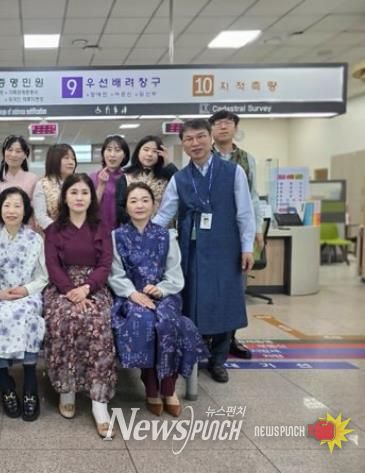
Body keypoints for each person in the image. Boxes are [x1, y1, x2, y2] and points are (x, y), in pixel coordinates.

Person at [152, 119, 255, 384]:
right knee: (193, 301)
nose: (195, 143)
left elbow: (245, 212)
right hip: (192, 248)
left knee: (224, 301)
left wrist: (247, 247)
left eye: (200, 137)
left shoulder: (233, 172)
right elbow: (165, 214)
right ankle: (195, 354)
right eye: (189, 139)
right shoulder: (179, 178)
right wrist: (142, 233)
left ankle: (219, 360)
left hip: (226, 246)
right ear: (183, 144)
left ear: (210, 138)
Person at [109, 182, 209, 417]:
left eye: (145, 200)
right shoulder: (117, 236)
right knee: (143, 321)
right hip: (130, 297)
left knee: (167, 322)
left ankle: (168, 387)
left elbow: (174, 274)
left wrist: (160, 290)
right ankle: (152, 387)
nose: (140, 205)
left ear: (154, 205)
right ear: (126, 206)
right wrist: (133, 293)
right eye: (134, 201)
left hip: (165, 296)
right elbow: (115, 274)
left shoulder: (166, 236)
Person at [43, 173, 116, 438]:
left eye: (84, 192)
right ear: (64, 197)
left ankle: (99, 401)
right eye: (73, 192)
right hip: (61, 287)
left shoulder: (101, 228)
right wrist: (70, 290)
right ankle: (67, 389)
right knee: (64, 318)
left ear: (91, 197)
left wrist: (86, 288)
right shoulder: (53, 230)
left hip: (94, 286)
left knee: (97, 321)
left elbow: (105, 264)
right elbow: (52, 265)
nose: (79, 197)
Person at [0, 187, 48, 421]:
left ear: (25, 210)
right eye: (6, 205)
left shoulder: (36, 239)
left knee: (28, 317)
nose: (12, 210)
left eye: (17, 205)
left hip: (27, 295)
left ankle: (30, 381)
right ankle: (4, 381)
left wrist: (26, 290)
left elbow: (43, 276)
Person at [210, 110, 264, 360]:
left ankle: (230, 339)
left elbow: (253, 197)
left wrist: (256, 228)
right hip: (210, 232)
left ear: (235, 128)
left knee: (235, 289)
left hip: (237, 231)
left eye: (228, 123)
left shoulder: (246, 159)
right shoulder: (204, 156)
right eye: (218, 123)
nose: (223, 127)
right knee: (209, 289)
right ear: (211, 130)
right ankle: (209, 338)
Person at [115, 135, 178, 226]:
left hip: (162, 227)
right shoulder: (125, 176)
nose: (149, 154)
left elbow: (182, 187)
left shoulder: (166, 175)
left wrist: (168, 163)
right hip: (132, 227)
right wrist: (136, 225)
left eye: (155, 151)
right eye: (146, 149)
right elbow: (119, 206)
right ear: (138, 152)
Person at [33, 144, 77, 230]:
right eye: (66, 158)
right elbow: (41, 216)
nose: (71, 162)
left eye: (73, 159)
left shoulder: (78, 182)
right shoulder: (43, 184)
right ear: (54, 160)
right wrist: (59, 231)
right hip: (54, 232)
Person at [90, 135, 130, 229]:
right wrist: (101, 185)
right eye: (109, 149)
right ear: (103, 153)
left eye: (117, 150)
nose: (112, 154)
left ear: (124, 155)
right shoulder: (92, 177)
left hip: (123, 230)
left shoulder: (129, 178)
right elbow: (89, 208)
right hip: (97, 230)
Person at [0, 135, 39, 199]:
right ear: (4, 153)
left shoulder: (33, 179)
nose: (13, 155)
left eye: (18, 151)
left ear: (25, 155)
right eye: (10, 150)